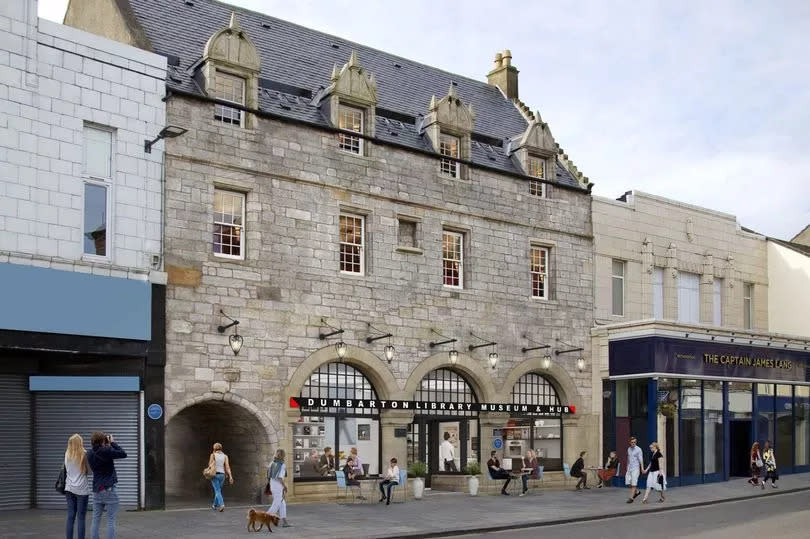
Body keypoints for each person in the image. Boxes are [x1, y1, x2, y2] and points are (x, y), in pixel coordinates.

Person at [87, 432, 127, 539]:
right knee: (111, 520)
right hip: (109, 489)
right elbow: (123, 454)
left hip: (97, 489)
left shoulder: (89, 453)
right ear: (102, 441)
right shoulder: (107, 450)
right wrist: (113, 443)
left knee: (95, 520)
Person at [64, 434, 90, 539]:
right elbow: (90, 471)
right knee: (81, 517)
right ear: (80, 443)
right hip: (82, 490)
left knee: (70, 516)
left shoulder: (67, 454)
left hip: (69, 488)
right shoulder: (84, 454)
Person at [267, 449, 291, 527]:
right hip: (278, 486)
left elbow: (269, 476)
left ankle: (284, 521)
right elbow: (280, 478)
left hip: (272, 484)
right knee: (276, 504)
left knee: (282, 503)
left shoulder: (272, 463)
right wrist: (284, 486)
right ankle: (264, 518)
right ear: (283, 455)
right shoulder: (282, 464)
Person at [208, 442, 233, 511]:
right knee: (218, 490)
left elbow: (210, 465)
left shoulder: (212, 455)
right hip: (222, 475)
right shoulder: (225, 456)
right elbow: (227, 467)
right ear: (221, 448)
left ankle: (222, 504)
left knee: (217, 490)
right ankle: (214, 505)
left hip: (215, 475)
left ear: (214, 448)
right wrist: (230, 476)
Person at [625, 436, 644, 503]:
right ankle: (637, 492)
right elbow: (628, 458)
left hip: (635, 469)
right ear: (630, 442)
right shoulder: (629, 449)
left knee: (634, 484)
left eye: (634, 442)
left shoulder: (638, 449)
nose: (633, 443)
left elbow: (641, 460)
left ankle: (631, 498)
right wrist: (627, 467)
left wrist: (642, 468)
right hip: (629, 468)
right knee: (628, 483)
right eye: (632, 442)